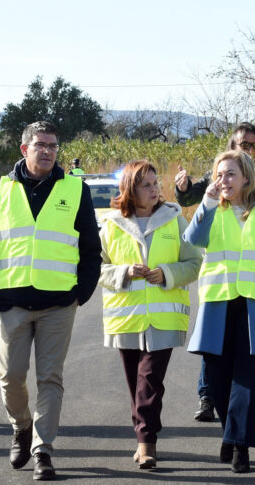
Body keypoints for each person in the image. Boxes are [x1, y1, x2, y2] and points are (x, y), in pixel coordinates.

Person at [0, 121, 102, 481]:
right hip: (13, 303)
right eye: (40, 145)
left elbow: (90, 249)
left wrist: (81, 292)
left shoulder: (75, 190)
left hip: (59, 303)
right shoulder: (0, 190)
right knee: (10, 376)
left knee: (51, 378)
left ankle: (43, 449)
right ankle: (21, 427)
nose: (48, 151)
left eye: (53, 145)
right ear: (24, 149)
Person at [185, 149, 255, 473]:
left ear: (246, 177)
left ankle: (241, 447)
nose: (223, 180)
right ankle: (231, 433)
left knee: (248, 381)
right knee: (219, 380)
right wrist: (205, 203)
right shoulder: (211, 211)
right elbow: (193, 239)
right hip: (219, 304)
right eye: (219, 174)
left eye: (230, 174)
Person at [98, 160, 201, 469]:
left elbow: (194, 262)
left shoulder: (175, 220)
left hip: (164, 318)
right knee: (136, 384)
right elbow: (96, 267)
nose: (155, 189)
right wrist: (124, 272)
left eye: (156, 183)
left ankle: (146, 443)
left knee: (149, 380)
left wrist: (166, 273)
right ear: (130, 189)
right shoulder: (111, 224)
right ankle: (144, 435)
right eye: (147, 185)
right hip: (125, 318)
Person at [175, 122, 255, 422]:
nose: (248, 149)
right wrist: (185, 188)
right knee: (214, 348)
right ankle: (207, 397)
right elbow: (195, 201)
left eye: (253, 144)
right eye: (242, 143)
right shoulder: (224, 175)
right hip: (220, 287)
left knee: (253, 357)